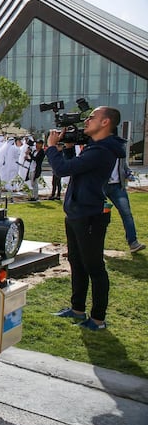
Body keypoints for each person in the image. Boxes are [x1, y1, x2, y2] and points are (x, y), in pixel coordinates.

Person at [48, 106, 126, 330]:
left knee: (94, 267)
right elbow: (76, 169)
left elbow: (62, 170)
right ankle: (77, 309)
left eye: (92, 117)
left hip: (90, 216)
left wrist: (52, 147)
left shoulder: (102, 150)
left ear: (105, 123)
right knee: (77, 262)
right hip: (77, 212)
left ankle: (98, 319)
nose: (87, 120)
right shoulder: (95, 147)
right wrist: (70, 149)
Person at [105, 154, 145, 253]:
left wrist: (128, 174)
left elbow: (123, 166)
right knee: (96, 215)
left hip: (117, 187)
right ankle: (94, 245)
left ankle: (133, 243)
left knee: (127, 214)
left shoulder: (119, 149)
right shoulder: (99, 147)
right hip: (100, 186)